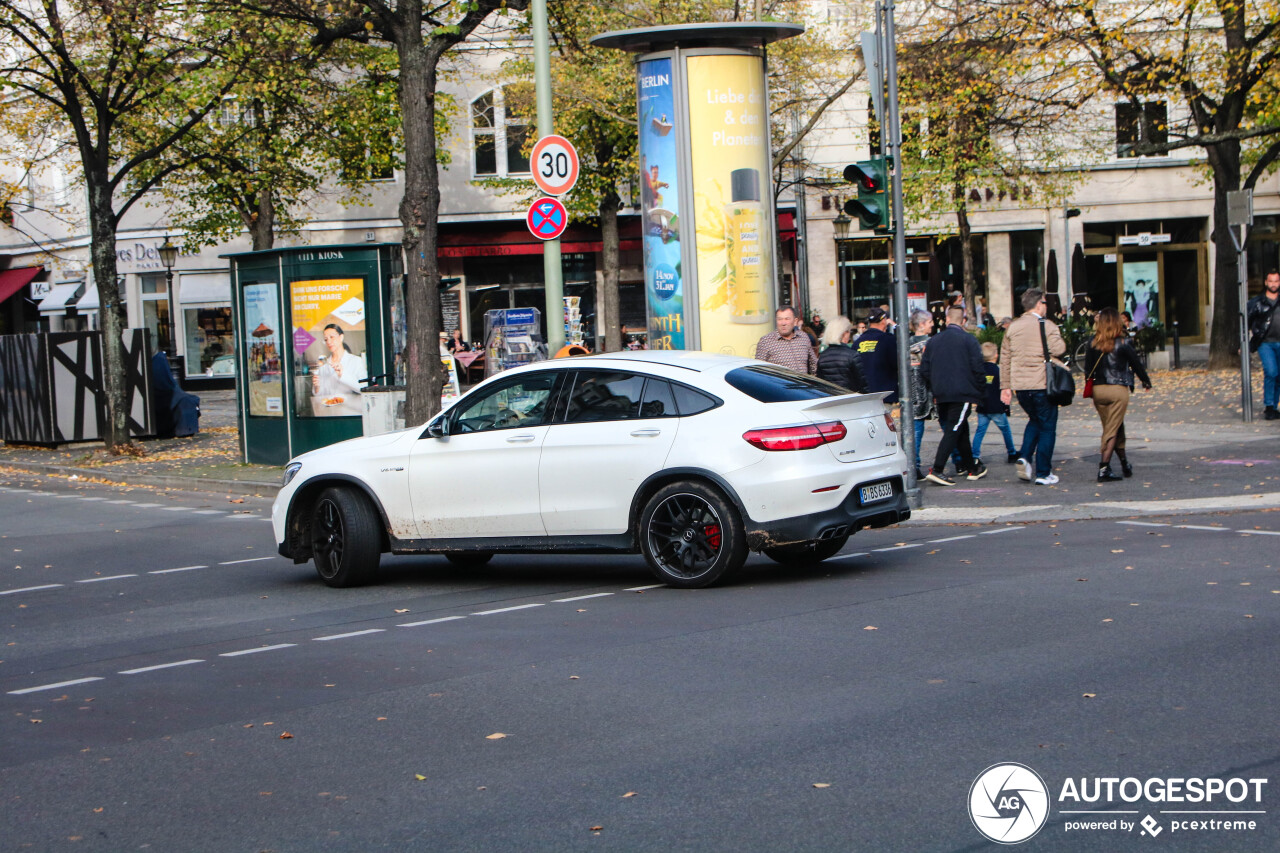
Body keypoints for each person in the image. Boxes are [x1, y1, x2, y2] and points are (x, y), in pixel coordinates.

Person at [1000, 288, 1066, 485]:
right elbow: (1059, 348)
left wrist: (1005, 386)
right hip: (1042, 383)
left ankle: (1025, 457)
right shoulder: (1047, 325)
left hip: (1021, 386)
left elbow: (1005, 359)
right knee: (1047, 426)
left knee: (1035, 420)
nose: (1046, 306)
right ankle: (1044, 472)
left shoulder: (1012, 328)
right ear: (1039, 304)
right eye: (1045, 303)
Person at [920, 306, 987, 485]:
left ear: (947, 320)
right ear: (963, 321)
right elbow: (978, 368)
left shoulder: (933, 341)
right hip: (963, 391)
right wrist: (981, 390)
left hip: (942, 392)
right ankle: (938, 468)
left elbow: (924, 369)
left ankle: (970, 467)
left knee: (960, 429)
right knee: (954, 429)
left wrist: (935, 385)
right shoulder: (969, 340)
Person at [1085, 307, 1153, 481]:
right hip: (1118, 389)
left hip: (1098, 390)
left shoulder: (1092, 342)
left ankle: (1124, 464)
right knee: (1112, 430)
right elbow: (1136, 363)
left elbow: (1087, 371)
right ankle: (1104, 468)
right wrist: (1145, 381)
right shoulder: (1124, 342)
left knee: (1116, 427)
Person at [972, 341, 1017, 464]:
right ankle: (1011, 452)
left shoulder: (979, 372)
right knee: (1005, 429)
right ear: (996, 355)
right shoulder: (999, 372)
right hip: (996, 407)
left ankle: (975, 454)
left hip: (983, 406)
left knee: (980, 431)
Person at [908, 308, 937, 479]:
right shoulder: (931, 343)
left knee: (916, 429)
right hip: (928, 389)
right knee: (949, 425)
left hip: (912, 391)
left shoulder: (906, 343)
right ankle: (958, 459)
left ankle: (914, 465)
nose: (932, 325)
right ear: (921, 324)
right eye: (930, 322)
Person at [1247, 270, 1280, 419]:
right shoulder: (1256, 303)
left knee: (1278, 375)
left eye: (1276, 281)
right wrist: (1243, 343)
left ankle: (1274, 406)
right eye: (1271, 281)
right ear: (1266, 283)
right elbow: (1246, 322)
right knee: (1271, 372)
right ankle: (1268, 407)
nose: (1273, 284)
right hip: (1265, 343)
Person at [755, 305, 817, 374]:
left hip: (803, 383)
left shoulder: (803, 337)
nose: (783, 323)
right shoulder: (766, 341)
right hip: (779, 384)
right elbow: (758, 371)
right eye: (780, 319)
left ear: (795, 321)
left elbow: (814, 365)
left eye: (787, 319)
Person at [855, 306, 898, 402]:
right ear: (883, 322)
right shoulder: (888, 340)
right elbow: (898, 364)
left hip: (863, 398)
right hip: (886, 397)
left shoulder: (857, 342)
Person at [311, 324, 367, 398]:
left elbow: (364, 388)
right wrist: (317, 387)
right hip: (329, 408)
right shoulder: (324, 364)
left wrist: (342, 374)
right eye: (326, 339)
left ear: (341, 337)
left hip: (350, 407)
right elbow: (321, 394)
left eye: (332, 337)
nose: (329, 341)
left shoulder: (356, 361)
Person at [816, 315, 868, 393]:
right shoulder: (853, 355)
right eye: (849, 332)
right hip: (849, 398)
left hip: (831, 399)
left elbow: (820, 384)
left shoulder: (823, 356)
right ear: (844, 333)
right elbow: (863, 385)